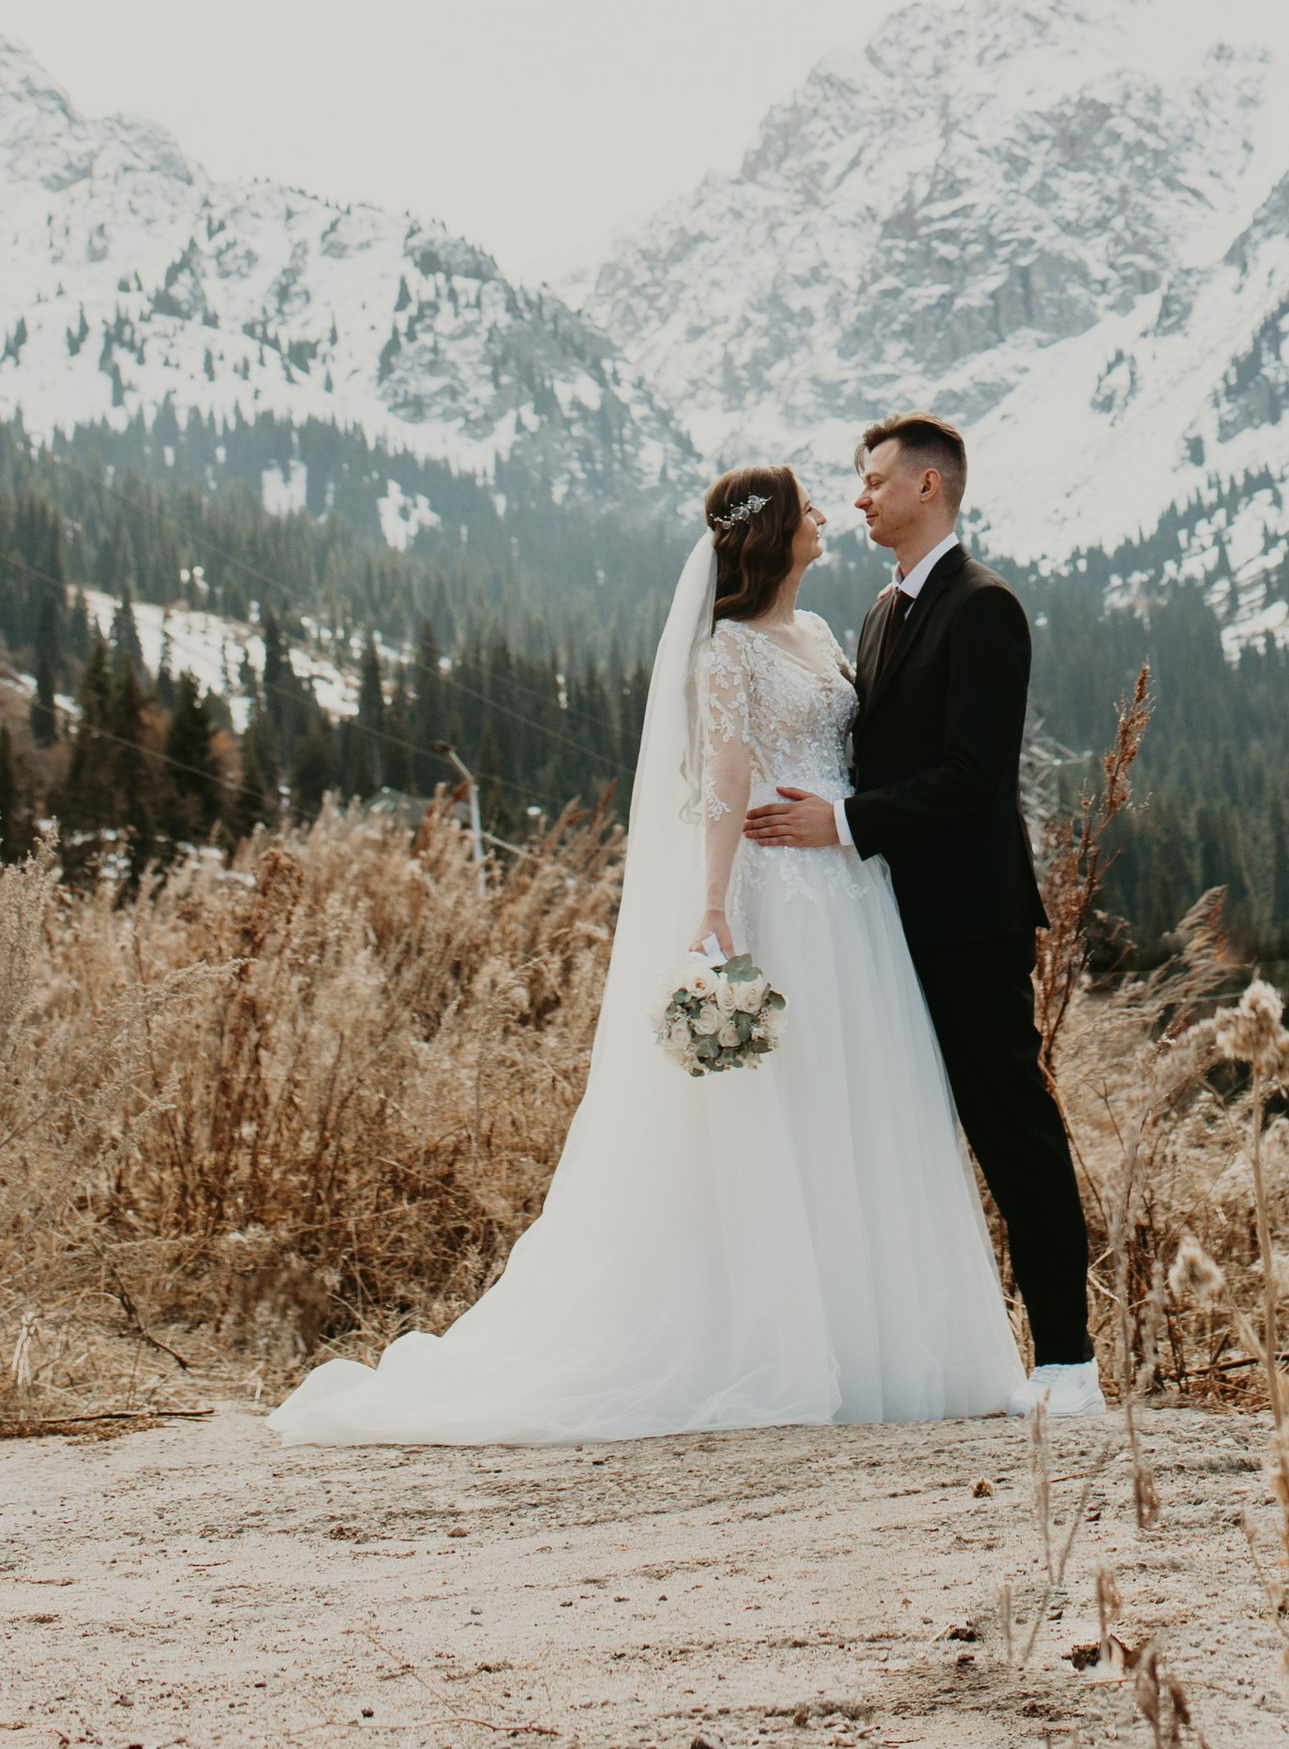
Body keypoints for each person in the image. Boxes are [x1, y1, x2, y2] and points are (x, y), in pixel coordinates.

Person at [273, 464, 1022, 1442]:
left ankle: (872, 1337)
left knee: (858, 1102)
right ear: (772, 536)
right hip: (779, 896)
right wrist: (712, 906)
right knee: (782, 1108)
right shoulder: (727, 652)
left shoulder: (825, 635)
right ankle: (778, 1337)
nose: (827, 517)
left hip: (852, 900)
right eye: (808, 509)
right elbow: (722, 781)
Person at [744, 414, 1103, 1418]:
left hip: (969, 917)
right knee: (897, 1134)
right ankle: (913, 1355)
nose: (858, 497)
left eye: (873, 481)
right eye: (857, 484)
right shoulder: (876, 611)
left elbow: (972, 774)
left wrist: (845, 823)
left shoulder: (985, 607)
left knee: (1010, 1127)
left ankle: (1068, 1363)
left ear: (930, 487)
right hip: (883, 920)